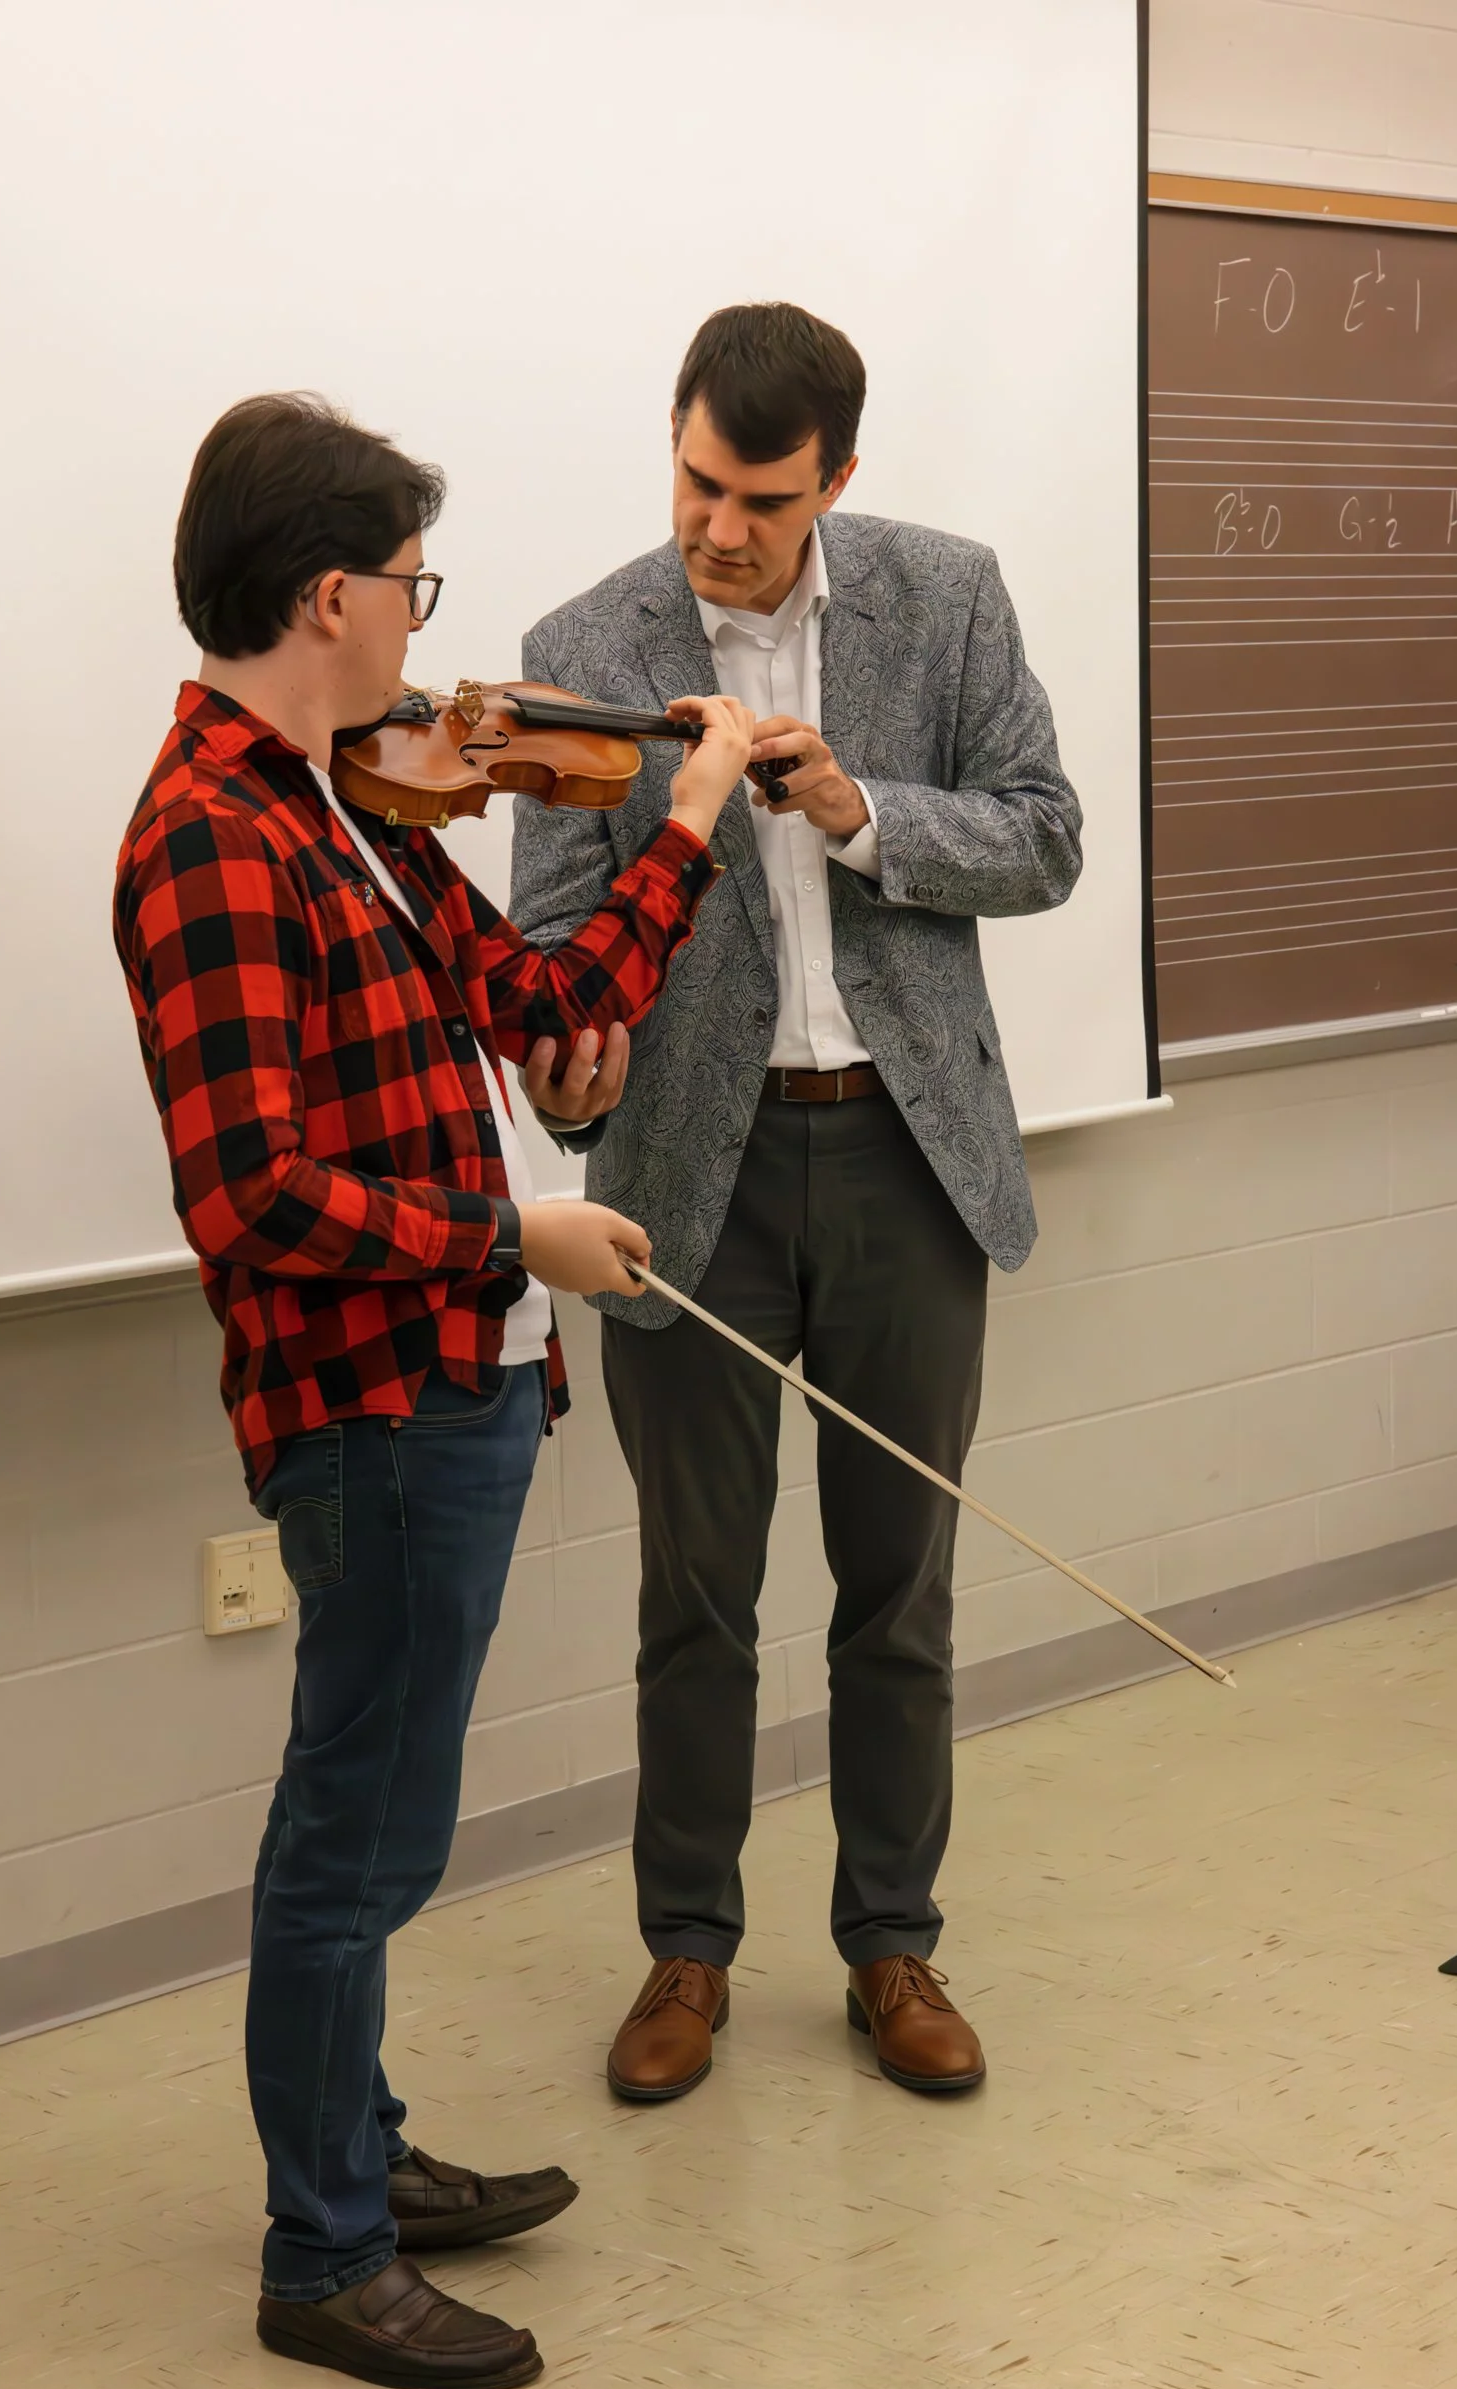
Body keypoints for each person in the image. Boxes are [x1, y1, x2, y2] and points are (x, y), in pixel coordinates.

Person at [113, 393, 752, 2389]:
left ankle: (363, 2158)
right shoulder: (213, 840)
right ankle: (323, 2253)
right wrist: (512, 1239)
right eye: (409, 584)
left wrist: (682, 824)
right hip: (373, 1410)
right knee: (354, 1841)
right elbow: (251, 1194)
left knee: (381, 1818)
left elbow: (546, 1007)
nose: (422, 625)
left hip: (458, 1386)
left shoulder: (344, 813)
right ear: (327, 595)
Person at [510, 304, 1081, 2104]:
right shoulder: (576, 649)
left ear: (835, 478)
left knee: (896, 1587)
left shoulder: (947, 598)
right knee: (695, 1593)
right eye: (696, 482)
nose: (718, 526)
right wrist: (565, 1075)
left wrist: (858, 810)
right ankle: (686, 1948)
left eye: (761, 498)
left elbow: (1045, 834)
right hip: (692, 1178)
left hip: (907, 1155)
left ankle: (890, 1944)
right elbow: (546, 948)